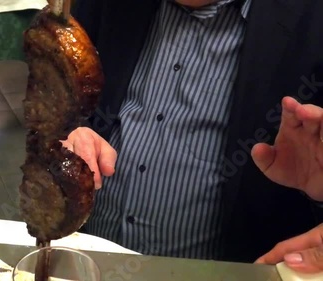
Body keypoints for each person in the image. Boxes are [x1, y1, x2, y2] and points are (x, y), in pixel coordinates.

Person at [62, 0, 323, 263]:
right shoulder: (108, 6)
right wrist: (70, 134)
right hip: (87, 258)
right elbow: (63, 106)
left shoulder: (310, 22)